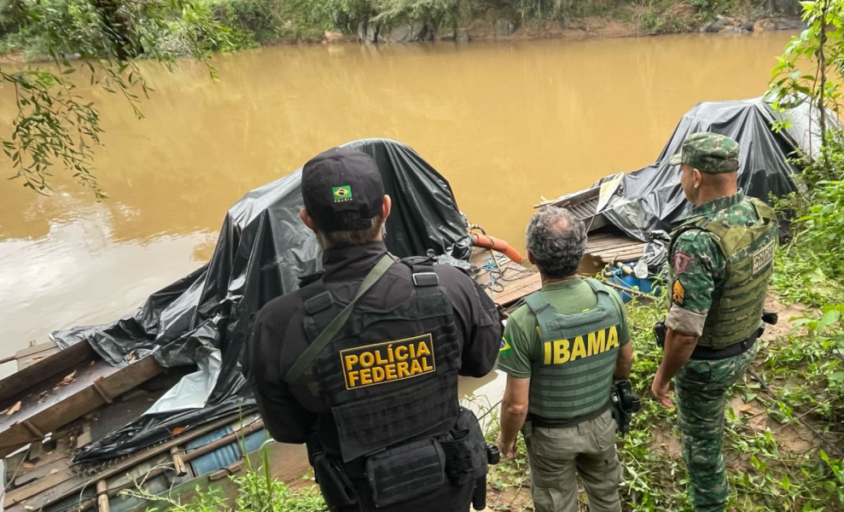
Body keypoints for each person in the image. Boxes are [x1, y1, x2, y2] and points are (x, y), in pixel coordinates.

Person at [247, 147, 502, 512]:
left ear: (307, 219)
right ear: (385, 208)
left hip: (360, 497)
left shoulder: (278, 322)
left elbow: (289, 429)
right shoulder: (450, 287)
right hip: (448, 484)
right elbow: (481, 363)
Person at [650, 132, 778, 512]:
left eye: (682, 172)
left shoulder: (697, 241)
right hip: (746, 343)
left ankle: (711, 503)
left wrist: (662, 378)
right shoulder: (759, 213)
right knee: (712, 413)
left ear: (696, 177)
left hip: (709, 364)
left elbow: (686, 333)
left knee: (702, 451)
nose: (680, 180)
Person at [495, 206, 633, 512]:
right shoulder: (609, 299)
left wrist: (507, 439)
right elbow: (625, 362)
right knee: (607, 496)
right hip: (601, 423)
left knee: (557, 504)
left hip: (551, 438)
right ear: (581, 251)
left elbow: (516, 405)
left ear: (530, 256)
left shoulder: (524, 321)